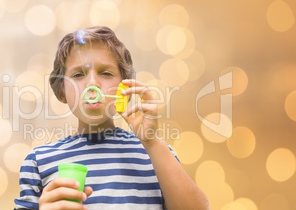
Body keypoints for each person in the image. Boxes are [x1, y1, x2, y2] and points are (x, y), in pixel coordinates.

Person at [14, 26, 209, 210]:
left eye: (106, 73)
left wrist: (152, 142)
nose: (93, 83)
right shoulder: (38, 161)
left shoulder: (157, 155)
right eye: (79, 74)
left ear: (125, 88)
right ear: (62, 91)